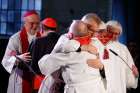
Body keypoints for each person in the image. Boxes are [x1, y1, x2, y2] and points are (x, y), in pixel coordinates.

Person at [38, 20, 106, 93]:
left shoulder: (69, 53)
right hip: (97, 88)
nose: (94, 33)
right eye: (92, 30)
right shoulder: (96, 45)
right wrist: (81, 47)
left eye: (96, 31)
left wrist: (102, 66)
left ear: (70, 35)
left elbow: (43, 64)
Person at [91, 20, 139, 93]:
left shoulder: (123, 49)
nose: (113, 36)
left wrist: (135, 76)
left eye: (116, 34)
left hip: (118, 88)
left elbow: (129, 71)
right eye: (111, 32)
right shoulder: (96, 45)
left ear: (120, 34)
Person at [1, 10, 41, 93]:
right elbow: (5, 60)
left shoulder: (42, 38)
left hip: (37, 78)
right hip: (20, 78)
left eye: (37, 23)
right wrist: (18, 58)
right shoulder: (15, 38)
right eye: (32, 23)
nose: (35, 26)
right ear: (25, 23)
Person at [30, 17, 61, 93]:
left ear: (42, 29)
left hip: (40, 82)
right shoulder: (63, 40)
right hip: (58, 83)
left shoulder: (37, 41)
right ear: (55, 29)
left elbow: (32, 65)